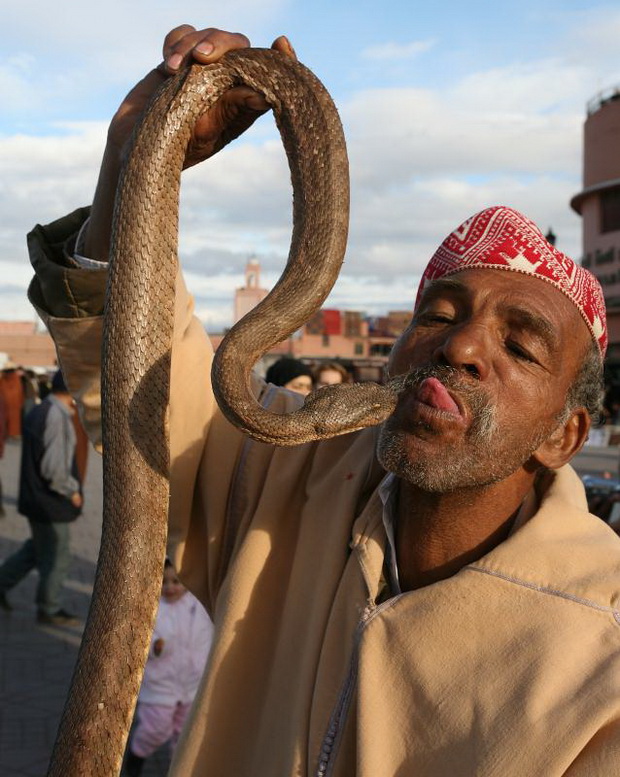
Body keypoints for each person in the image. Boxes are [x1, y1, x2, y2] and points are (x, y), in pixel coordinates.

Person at [25, 25, 620, 777]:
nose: (461, 346)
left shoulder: (599, 669)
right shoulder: (295, 483)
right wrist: (138, 156)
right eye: (438, 314)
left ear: (566, 436)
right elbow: (145, 392)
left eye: (521, 345)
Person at [0, 370, 83, 624]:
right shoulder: (55, 416)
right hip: (49, 501)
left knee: (37, 549)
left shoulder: (44, 409)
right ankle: (49, 608)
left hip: (37, 498)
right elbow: (53, 468)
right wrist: (72, 491)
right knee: (58, 554)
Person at [124, 559, 213, 776]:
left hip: (192, 684)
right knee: (156, 728)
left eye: (176, 581)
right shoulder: (151, 608)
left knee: (185, 734)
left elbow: (209, 634)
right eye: (163, 582)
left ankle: (179, 767)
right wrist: (155, 646)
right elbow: (138, 641)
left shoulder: (197, 604)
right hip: (160, 685)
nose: (170, 587)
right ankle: (137, 755)